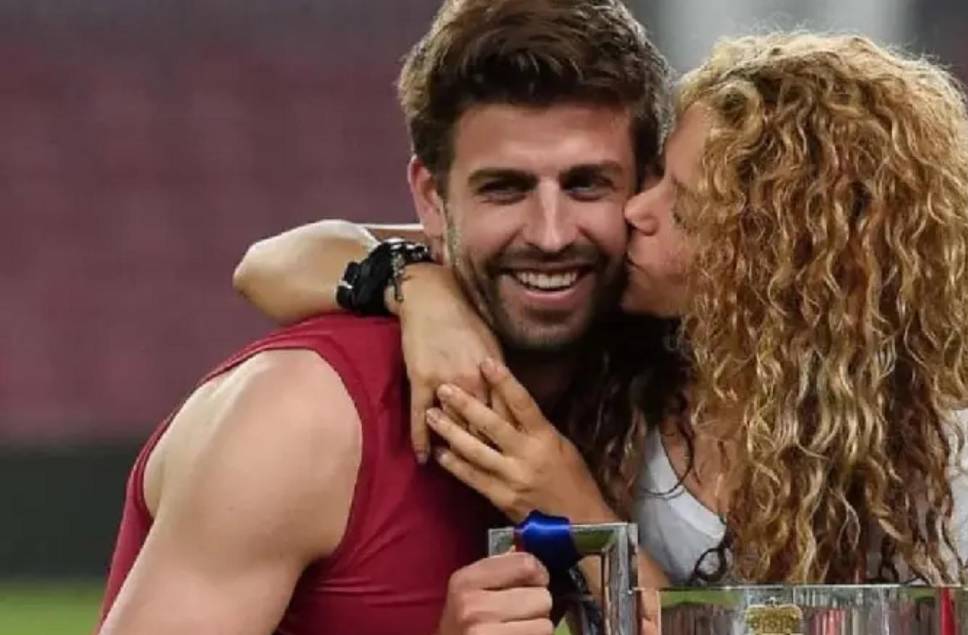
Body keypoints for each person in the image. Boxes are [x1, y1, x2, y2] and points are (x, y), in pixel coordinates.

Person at [234, 33, 968, 587]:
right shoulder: (613, 309)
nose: (635, 212)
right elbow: (274, 262)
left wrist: (576, 511)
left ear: (775, 257)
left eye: (682, 206)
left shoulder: (924, 431)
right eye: (654, 176)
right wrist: (419, 287)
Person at [96, 1, 671, 633]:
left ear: (646, 190)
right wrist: (412, 281)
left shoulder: (665, 379)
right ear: (431, 199)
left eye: (587, 184)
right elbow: (264, 262)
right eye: (504, 189)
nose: (551, 234)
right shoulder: (302, 415)